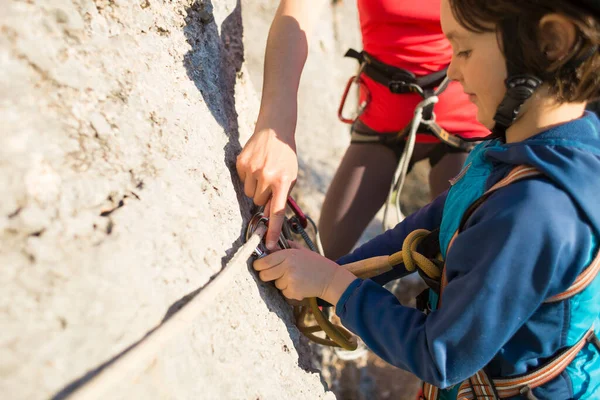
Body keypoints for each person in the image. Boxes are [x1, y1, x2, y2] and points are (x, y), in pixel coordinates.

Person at [253, 0, 600, 398]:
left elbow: (441, 355)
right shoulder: (523, 147)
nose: (451, 70)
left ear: (550, 42)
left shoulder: (535, 212)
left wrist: (335, 285)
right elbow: (439, 219)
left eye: (465, 50)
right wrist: (331, 271)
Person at [236, 0, 489, 260]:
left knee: (464, 263)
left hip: (468, 126)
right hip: (381, 123)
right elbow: (297, 12)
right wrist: (275, 127)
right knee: (323, 255)